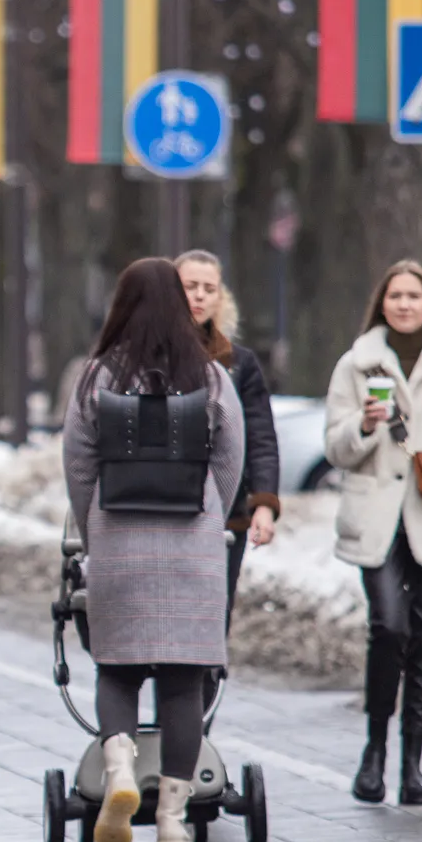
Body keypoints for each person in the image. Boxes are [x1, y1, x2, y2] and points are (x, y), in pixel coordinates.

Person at [67, 258, 246, 842]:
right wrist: (208, 515)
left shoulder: (98, 375)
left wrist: (95, 528)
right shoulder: (211, 376)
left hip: (119, 540)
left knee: (115, 668)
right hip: (191, 543)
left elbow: (78, 462)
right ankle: (171, 822)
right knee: (182, 683)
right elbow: (230, 458)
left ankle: (119, 772)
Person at [325, 260, 422, 804]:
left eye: (414, 295)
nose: (405, 304)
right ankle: (375, 751)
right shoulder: (356, 365)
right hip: (378, 520)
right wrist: (364, 426)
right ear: (382, 303)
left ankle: (413, 764)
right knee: (389, 628)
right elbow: (334, 449)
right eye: (396, 296)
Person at [175, 251, 280, 621]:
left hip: (226, 513)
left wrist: (264, 503)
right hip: (164, 508)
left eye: (209, 288)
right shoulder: (149, 356)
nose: (200, 296)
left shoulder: (239, 363)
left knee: (214, 618)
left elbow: (261, 437)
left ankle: (210, 680)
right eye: (190, 286)